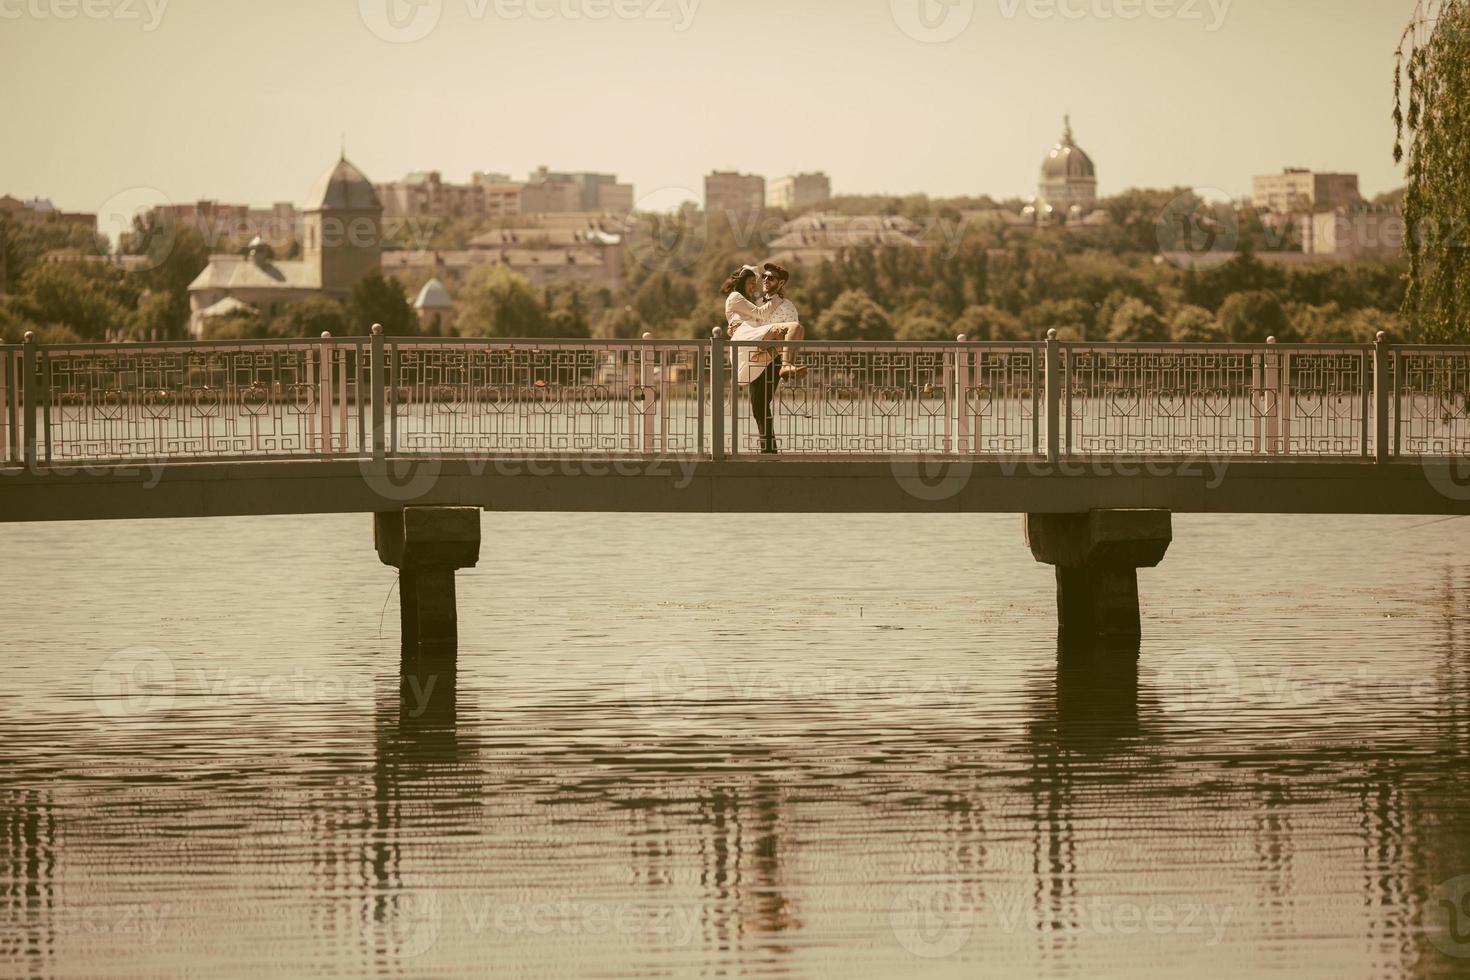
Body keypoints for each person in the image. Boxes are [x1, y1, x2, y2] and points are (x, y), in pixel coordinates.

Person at [719, 263, 802, 454]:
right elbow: (747, 323)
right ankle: (768, 448)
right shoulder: (757, 303)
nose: (765, 280)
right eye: (763, 277)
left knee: (761, 403)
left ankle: (769, 450)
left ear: (780, 283)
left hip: (773, 358)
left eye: (770, 278)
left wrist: (782, 356)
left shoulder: (787, 306)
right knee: (758, 405)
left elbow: (791, 334)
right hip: (755, 354)